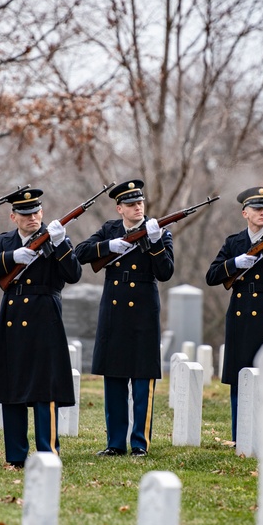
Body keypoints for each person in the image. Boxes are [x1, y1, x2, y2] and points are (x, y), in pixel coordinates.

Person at [0, 188, 81, 469]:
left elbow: (74, 274)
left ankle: (48, 452)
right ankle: (15, 456)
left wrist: (61, 245)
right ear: (14, 217)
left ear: (42, 213)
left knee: (44, 389)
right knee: (12, 388)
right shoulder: (5, 241)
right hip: (12, 315)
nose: (32, 218)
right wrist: (12, 257)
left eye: (36, 212)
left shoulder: (56, 238)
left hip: (44, 315)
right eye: (25, 214)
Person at [74, 179, 174, 457]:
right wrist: (109, 246)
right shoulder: (110, 230)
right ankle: (115, 443)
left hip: (143, 311)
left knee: (142, 382)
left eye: (140, 203)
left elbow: (165, 272)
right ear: (119, 208)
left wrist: (155, 243)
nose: (137, 208)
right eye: (131, 204)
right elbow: (81, 253)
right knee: (115, 380)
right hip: (115, 313)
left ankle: (139, 443)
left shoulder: (159, 232)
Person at [206, 186, 263, 441]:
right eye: (257, 209)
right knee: (240, 377)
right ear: (245, 213)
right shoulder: (234, 242)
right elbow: (212, 276)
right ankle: (240, 433)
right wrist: (234, 263)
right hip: (240, 312)